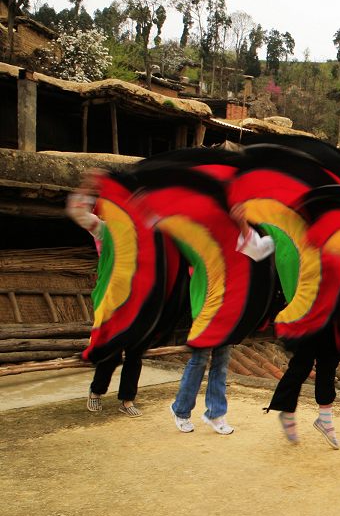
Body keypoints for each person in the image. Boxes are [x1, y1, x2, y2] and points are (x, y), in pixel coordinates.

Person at [169, 207, 275, 435]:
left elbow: (261, 250)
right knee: (199, 360)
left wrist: (243, 223)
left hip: (229, 311)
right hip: (206, 309)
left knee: (221, 361)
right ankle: (181, 410)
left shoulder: (239, 237)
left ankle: (215, 413)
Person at [66, 180, 145, 417]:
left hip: (135, 299)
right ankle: (96, 392)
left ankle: (127, 400)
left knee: (135, 351)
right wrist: (87, 189)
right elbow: (77, 212)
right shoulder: (103, 228)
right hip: (111, 299)